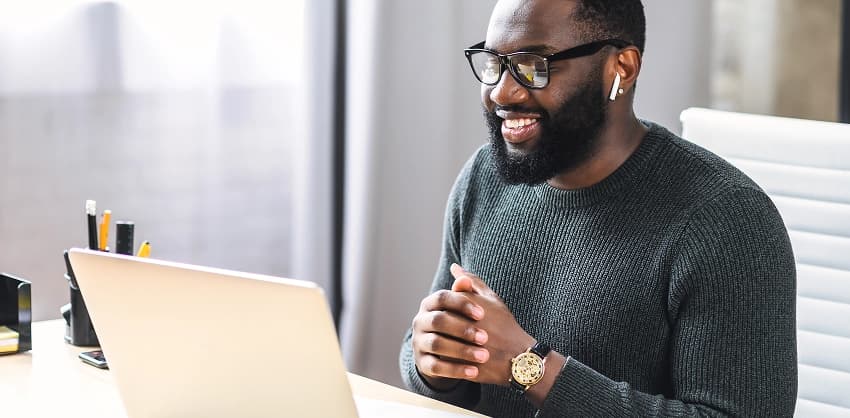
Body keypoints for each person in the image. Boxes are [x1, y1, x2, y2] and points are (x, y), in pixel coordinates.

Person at [398, 0, 798, 417]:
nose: (502, 91)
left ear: (621, 68)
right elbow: (429, 357)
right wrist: (434, 363)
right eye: (494, 63)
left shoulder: (727, 220)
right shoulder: (484, 177)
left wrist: (529, 366)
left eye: (533, 64)